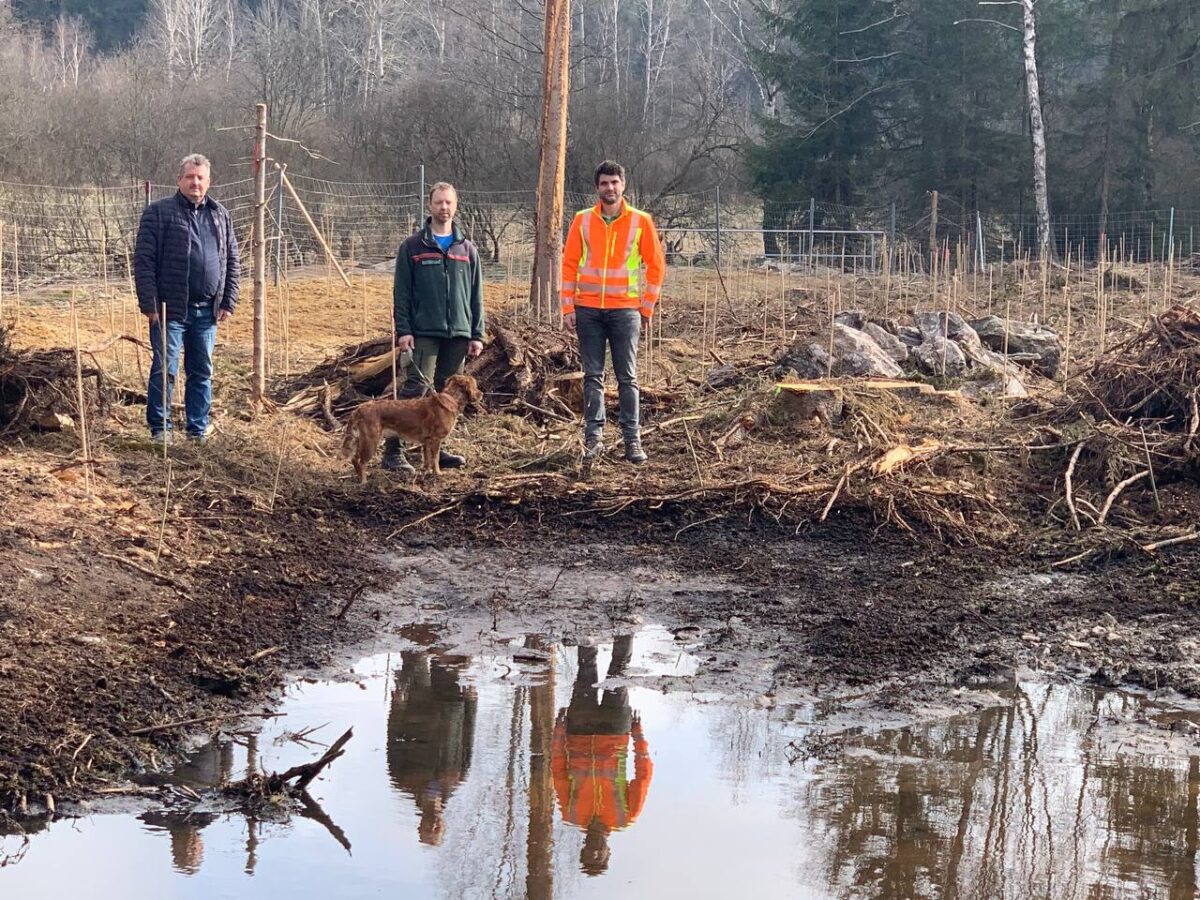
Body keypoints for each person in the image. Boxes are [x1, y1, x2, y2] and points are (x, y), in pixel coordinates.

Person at [561, 161, 666, 464]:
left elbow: (656, 266)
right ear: (597, 188)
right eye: (604, 183)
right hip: (588, 309)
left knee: (627, 377)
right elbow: (569, 266)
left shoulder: (640, 221)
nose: (610, 188)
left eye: (614, 182)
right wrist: (568, 306)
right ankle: (593, 440)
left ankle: (632, 440)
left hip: (625, 310)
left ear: (623, 185)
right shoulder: (581, 221)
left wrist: (646, 306)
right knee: (593, 375)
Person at [134, 154, 240, 443]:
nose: (195, 182)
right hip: (169, 310)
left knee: (202, 371)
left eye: (200, 177)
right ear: (179, 180)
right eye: (190, 177)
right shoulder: (158, 213)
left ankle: (197, 429)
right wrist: (150, 305)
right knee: (165, 370)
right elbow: (144, 261)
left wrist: (228, 300)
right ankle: (161, 430)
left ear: (209, 181)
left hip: (208, 311)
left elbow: (232, 259)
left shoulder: (220, 214)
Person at [385, 181, 485, 473]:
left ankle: (438, 451)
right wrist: (404, 329)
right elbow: (401, 293)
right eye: (439, 202)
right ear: (430, 206)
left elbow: (476, 293)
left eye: (449, 203)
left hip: (459, 333)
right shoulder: (413, 246)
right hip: (423, 332)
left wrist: (477, 333)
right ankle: (394, 452)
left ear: (456, 206)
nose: (444, 207)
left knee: (448, 397)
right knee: (415, 389)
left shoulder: (467, 249)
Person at [551, 634, 653, 876]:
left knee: (586, 668)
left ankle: (588, 627)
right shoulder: (625, 818)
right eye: (599, 857)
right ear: (609, 851)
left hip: (579, 730)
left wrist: (558, 734)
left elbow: (558, 771)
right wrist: (638, 736)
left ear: (583, 849)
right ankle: (625, 626)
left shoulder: (571, 815)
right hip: (615, 731)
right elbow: (643, 776)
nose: (594, 852)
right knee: (618, 670)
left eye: (589, 856)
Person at [387, 650, 478, 846]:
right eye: (437, 830)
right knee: (447, 653)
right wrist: (471, 703)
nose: (434, 825)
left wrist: (398, 707)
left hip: (417, 705)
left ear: (420, 825)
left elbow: (393, 741)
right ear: (444, 825)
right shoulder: (457, 780)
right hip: (451, 705)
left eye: (429, 830)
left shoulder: (402, 782)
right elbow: (468, 739)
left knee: (415, 653)